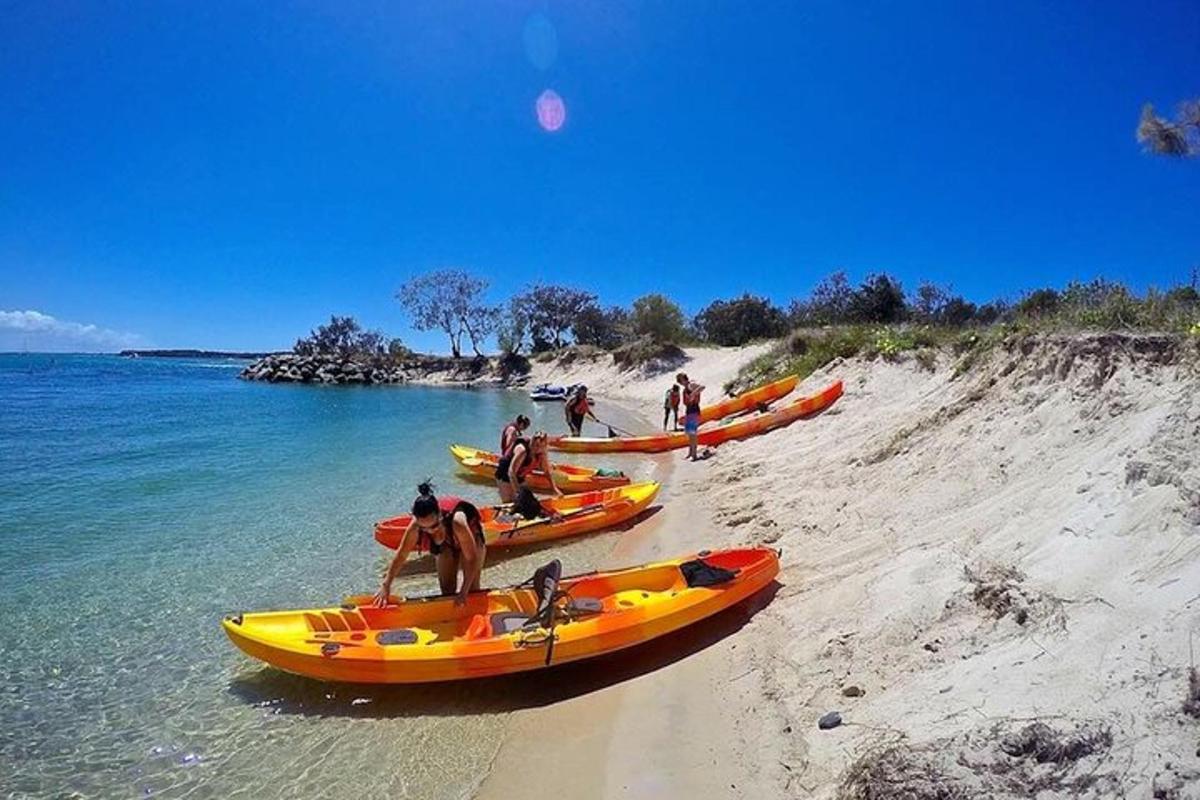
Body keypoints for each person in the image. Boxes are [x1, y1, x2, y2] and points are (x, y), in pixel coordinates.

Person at [374, 483, 486, 608]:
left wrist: (463, 592)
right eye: (424, 528)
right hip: (446, 544)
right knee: (447, 591)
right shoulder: (415, 526)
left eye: (434, 526)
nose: (430, 531)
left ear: (440, 515)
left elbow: (471, 559)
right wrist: (386, 585)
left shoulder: (457, 522)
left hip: (471, 538)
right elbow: (402, 554)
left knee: (472, 590)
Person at [495, 430, 562, 503]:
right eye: (535, 445)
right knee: (509, 502)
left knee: (528, 501)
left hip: (520, 476)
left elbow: (546, 471)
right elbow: (511, 472)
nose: (537, 448)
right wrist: (518, 492)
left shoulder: (542, 453)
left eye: (540, 446)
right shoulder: (522, 451)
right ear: (532, 442)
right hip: (505, 474)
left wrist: (554, 489)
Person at [677, 372, 705, 460]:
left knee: (693, 433)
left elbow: (702, 387)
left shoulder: (691, 384)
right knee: (690, 433)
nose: (680, 382)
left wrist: (693, 394)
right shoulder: (686, 388)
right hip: (689, 410)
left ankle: (694, 455)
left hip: (694, 410)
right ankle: (690, 453)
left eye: (680, 380)